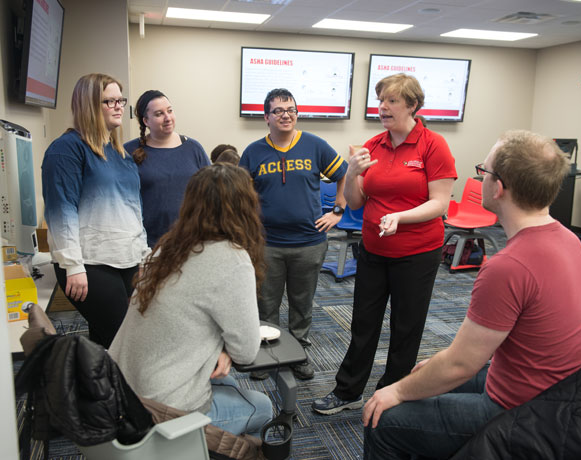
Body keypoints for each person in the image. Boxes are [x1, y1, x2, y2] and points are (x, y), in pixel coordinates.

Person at [362, 130, 581, 459]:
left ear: (498, 188)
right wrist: (437, 370)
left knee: (382, 417)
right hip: (567, 390)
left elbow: (460, 365)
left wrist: (395, 391)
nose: (479, 177)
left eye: (482, 171)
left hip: (531, 409)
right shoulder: (568, 239)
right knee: (424, 375)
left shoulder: (508, 266)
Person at [313, 73, 457, 414]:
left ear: (412, 106)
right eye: (381, 101)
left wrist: (401, 217)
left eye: (392, 101)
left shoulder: (432, 145)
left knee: (406, 327)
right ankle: (348, 392)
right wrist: (351, 172)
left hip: (418, 252)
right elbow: (356, 200)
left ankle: (392, 392)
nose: (384, 107)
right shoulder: (373, 146)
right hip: (375, 250)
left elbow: (440, 203)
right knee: (364, 322)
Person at [109, 164, 273, 437]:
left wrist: (221, 349)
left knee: (227, 380)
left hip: (121, 392)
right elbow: (246, 351)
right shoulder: (232, 258)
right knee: (263, 406)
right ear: (247, 207)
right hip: (163, 411)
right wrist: (227, 349)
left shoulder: (169, 246)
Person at [239, 88, 348, 380]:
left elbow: (343, 175)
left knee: (302, 302)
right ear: (266, 117)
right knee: (266, 303)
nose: (286, 115)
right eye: (278, 111)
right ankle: (267, 354)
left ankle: (298, 352)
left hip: (309, 242)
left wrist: (337, 211)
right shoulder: (253, 152)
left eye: (291, 110)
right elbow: (239, 193)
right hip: (267, 244)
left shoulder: (314, 145)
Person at [42, 73, 149, 349]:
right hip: (89, 264)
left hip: (125, 260)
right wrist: (73, 265)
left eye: (120, 100)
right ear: (88, 105)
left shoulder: (119, 153)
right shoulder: (66, 149)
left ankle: (99, 392)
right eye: (108, 101)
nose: (118, 106)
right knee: (128, 346)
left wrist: (142, 255)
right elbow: (60, 211)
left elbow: (132, 211)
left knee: (105, 343)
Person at [126, 90, 210, 247]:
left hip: (191, 242)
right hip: (147, 245)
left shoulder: (193, 148)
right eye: (159, 114)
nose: (167, 118)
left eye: (170, 111)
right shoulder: (129, 151)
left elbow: (211, 192)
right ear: (146, 120)